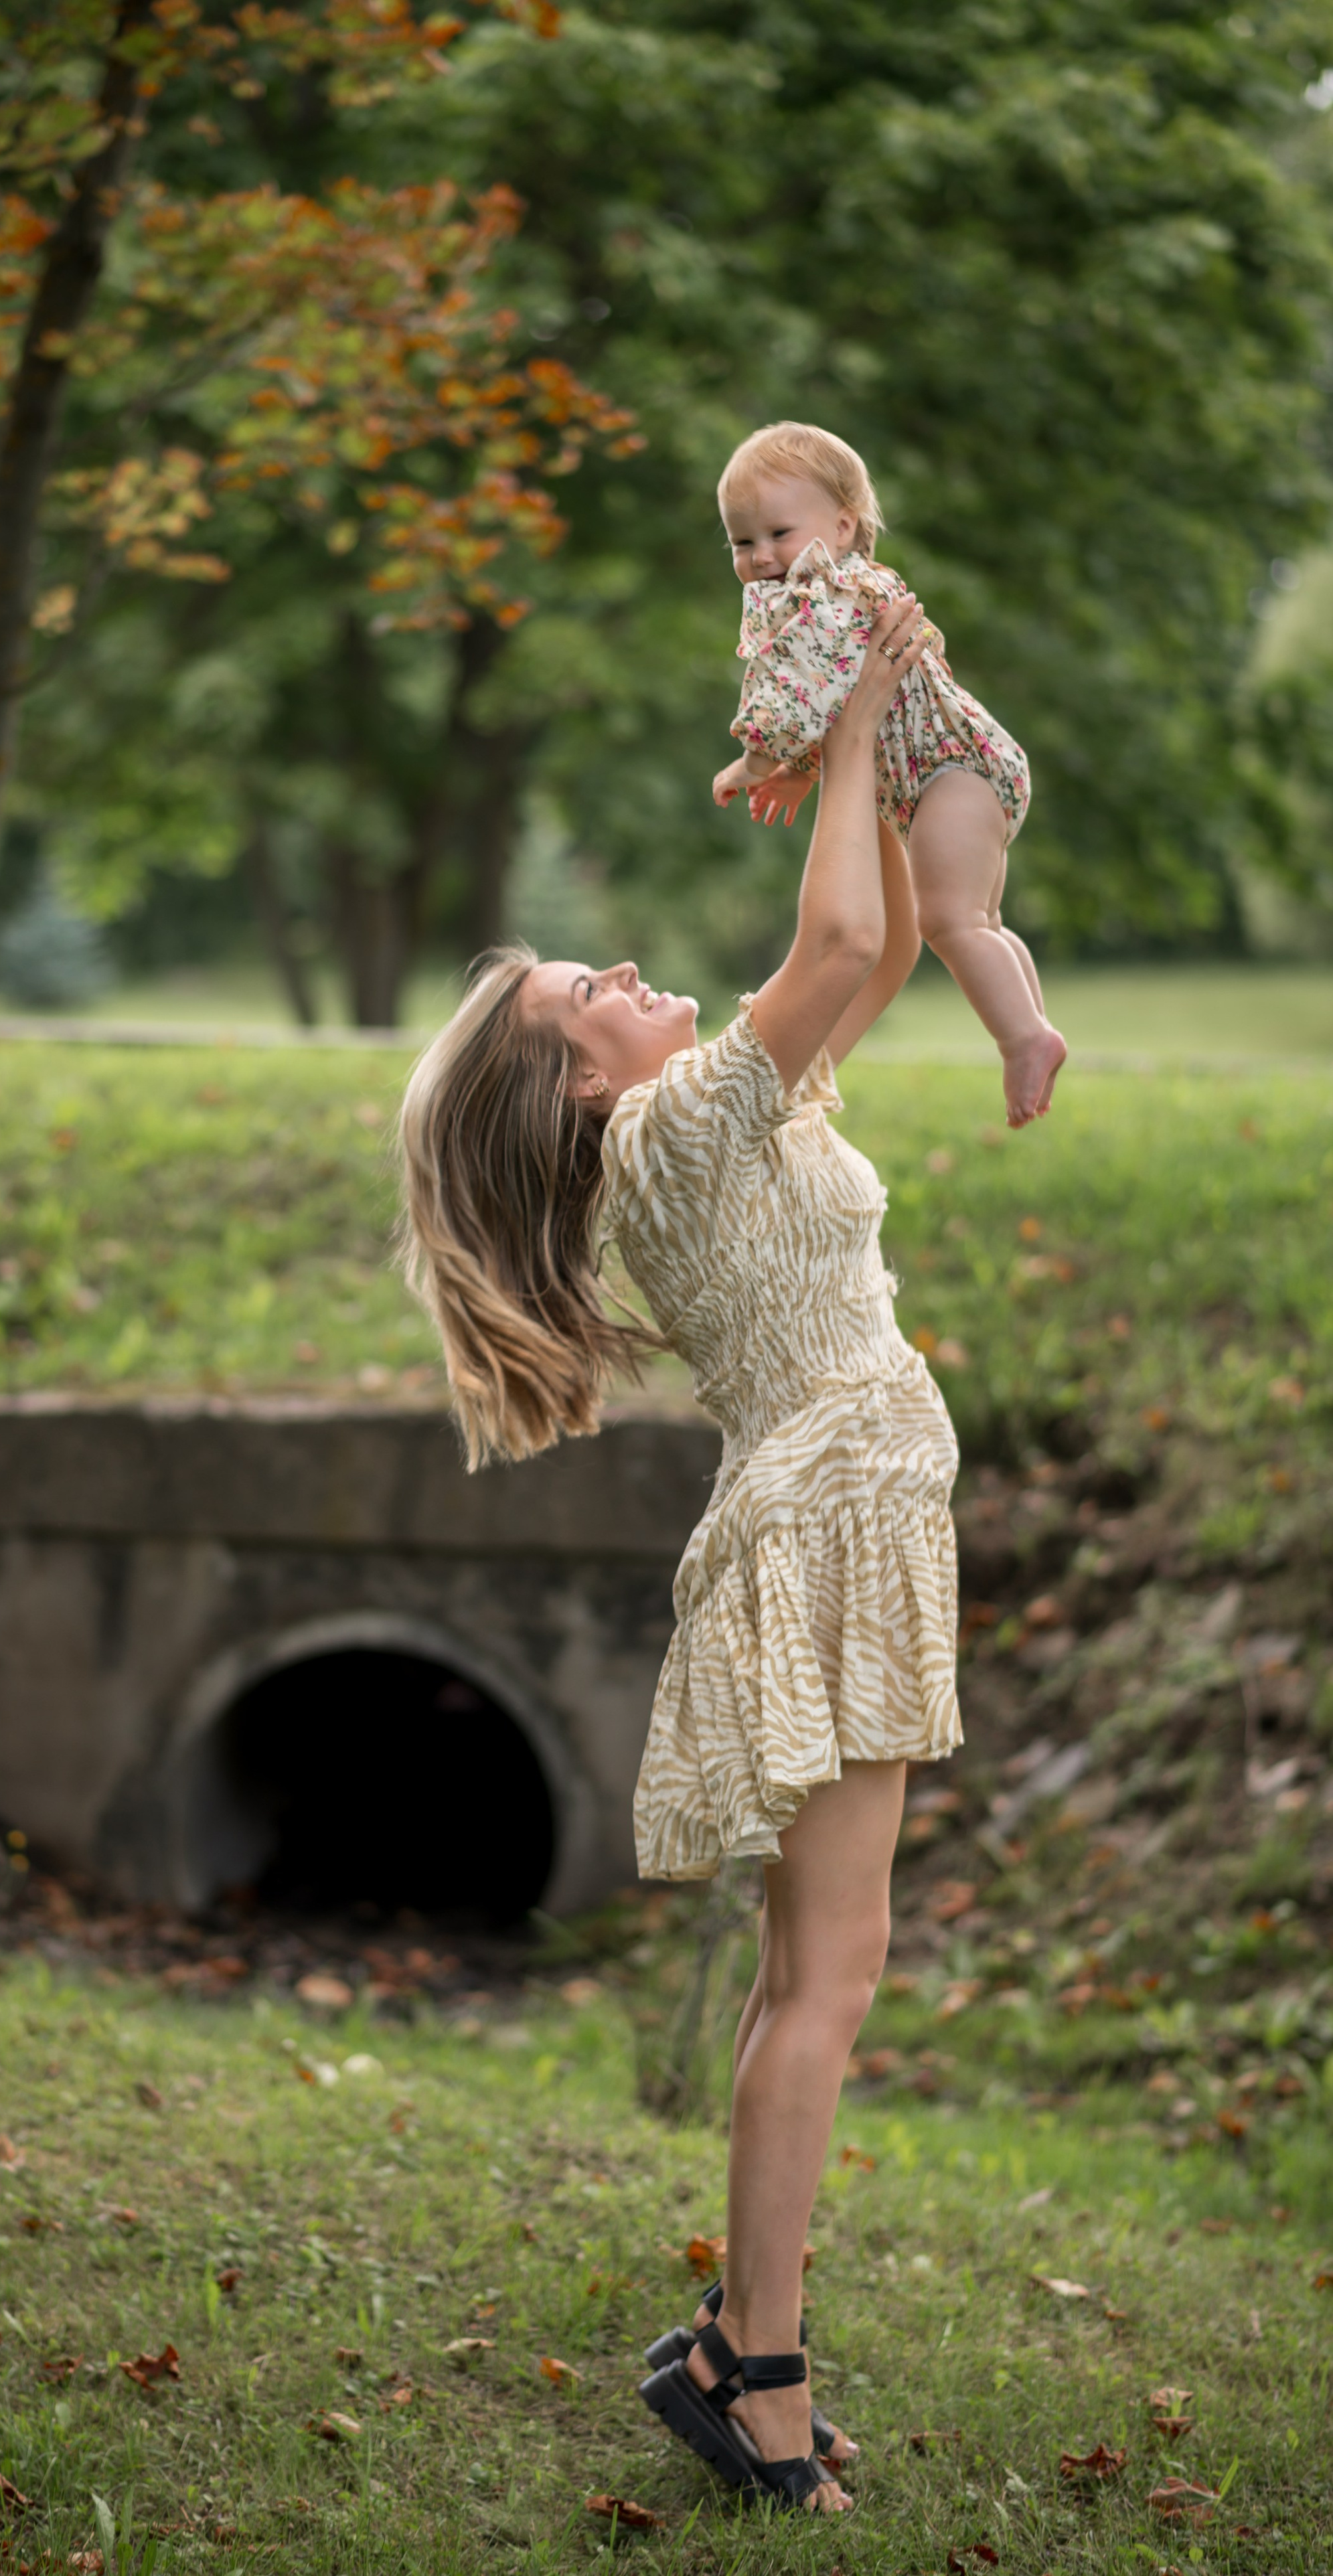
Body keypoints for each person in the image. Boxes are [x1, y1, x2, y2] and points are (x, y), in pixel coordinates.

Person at [398, 595, 962, 2516]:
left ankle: (741, 2340)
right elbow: (835, 946)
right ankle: (757, 2369)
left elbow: (883, 950)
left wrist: (865, 755)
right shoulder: (666, 1138)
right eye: (590, 990)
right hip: (824, 1525)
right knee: (826, 1981)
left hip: (839, 1513)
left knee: (813, 1973)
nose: (631, 971)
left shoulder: (714, 1119)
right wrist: (854, 706)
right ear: (577, 1080)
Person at [712, 419, 1065, 1129]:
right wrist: (800, 774)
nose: (760, 556)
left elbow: (797, 699)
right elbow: (843, 707)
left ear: (842, 526)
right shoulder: (844, 594)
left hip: (948, 773)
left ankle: (1023, 1039)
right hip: (960, 770)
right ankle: (1034, 1026)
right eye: (741, 543)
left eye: (778, 533)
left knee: (947, 921)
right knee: (981, 922)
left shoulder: (824, 598)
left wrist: (756, 762)